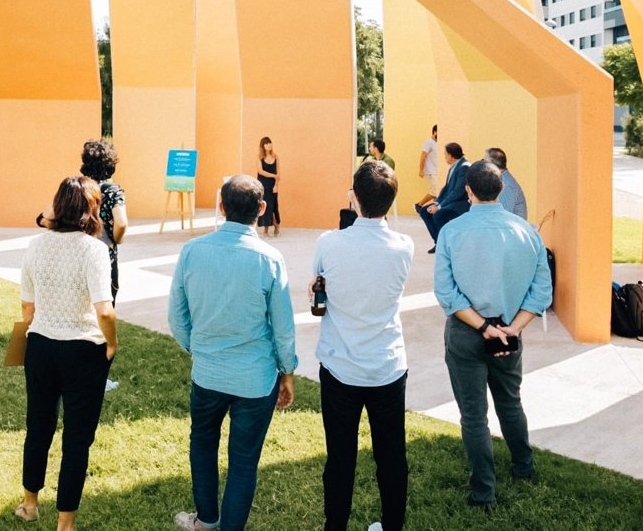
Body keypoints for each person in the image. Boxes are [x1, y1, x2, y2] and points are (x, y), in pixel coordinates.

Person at [168, 175, 297, 531]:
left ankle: (206, 521)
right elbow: (284, 326)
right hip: (255, 380)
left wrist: (197, 348)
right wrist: (287, 371)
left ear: (221, 207)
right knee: (243, 461)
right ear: (262, 208)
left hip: (208, 373)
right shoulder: (270, 259)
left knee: (203, 444)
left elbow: (176, 315)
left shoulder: (192, 251)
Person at [433, 160, 552, 509]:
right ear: (501, 189)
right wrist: (512, 328)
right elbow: (541, 292)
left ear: (467, 190)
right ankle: (523, 467)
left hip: (466, 332)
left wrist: (484, 327)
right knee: (510, 402)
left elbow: (446, 293)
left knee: (474, 416)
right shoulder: (527, 232)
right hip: (509, 332)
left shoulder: (451, 231)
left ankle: (483, 493)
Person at [313, 161, 413, 531]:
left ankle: (335, 525)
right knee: (391, 455)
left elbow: (320, 291)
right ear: (392, 200)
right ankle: (392, 525)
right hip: (387, 364)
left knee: (340, 457)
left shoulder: (328, 243)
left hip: (340, 365)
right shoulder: (404, 246)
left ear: (354, 197)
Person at [16, 176, 117, 530]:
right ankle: (65, 524)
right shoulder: (94, 250)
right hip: (84, 349)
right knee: (77, 438)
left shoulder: (35, 245)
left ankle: (30, 504)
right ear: (93, 208)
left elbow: (27, 307)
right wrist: (112, 343)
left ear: (57, 205)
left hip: (41, 345)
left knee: (38, 427)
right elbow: (105, 310)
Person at [79, 139, 128, 303]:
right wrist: (116, 240)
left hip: (79, 254)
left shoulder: (77, 188)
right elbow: (121, 223)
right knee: (105, 305)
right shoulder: (112, 191)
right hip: (105, 256)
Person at [414, 142, 470, 252]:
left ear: (451, 155)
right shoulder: (454, 166)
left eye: (445, 154)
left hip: (460, 204)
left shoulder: (464, 167)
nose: (444, 156)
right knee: (424, 211)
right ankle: (439, 243)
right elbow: (446, 188)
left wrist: (439, 206)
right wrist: (436, 202)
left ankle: (446, 245)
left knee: (438, 215)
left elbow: (458, 192)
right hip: (450, 202)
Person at [485, 147, 527, 221]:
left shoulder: (506, 185)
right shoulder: (500, 180)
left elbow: (503, 218)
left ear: (492, 164)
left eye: (485, 161)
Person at [256, 137, 281, 236]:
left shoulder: (276, 157)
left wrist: (276, 185)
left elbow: (278, 173)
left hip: (272, 186)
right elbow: (260, 171)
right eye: (266, 143)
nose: (269, 145)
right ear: (263, 146)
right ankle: (266, 230)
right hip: (263, 185)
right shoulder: (259, 157)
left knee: (273, 207)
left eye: (270, 142)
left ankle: (276, 226)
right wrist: (273, 175)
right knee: (265, 207)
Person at [416, 125, 438, 207]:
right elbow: (423, 156)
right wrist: (421, 170)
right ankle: (419, 205)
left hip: (436, 171)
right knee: (434, 191)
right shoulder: (429, 142)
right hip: (430, 172)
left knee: (437, 194)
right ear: (435, 132)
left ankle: (435, 210)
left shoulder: (437, 143)